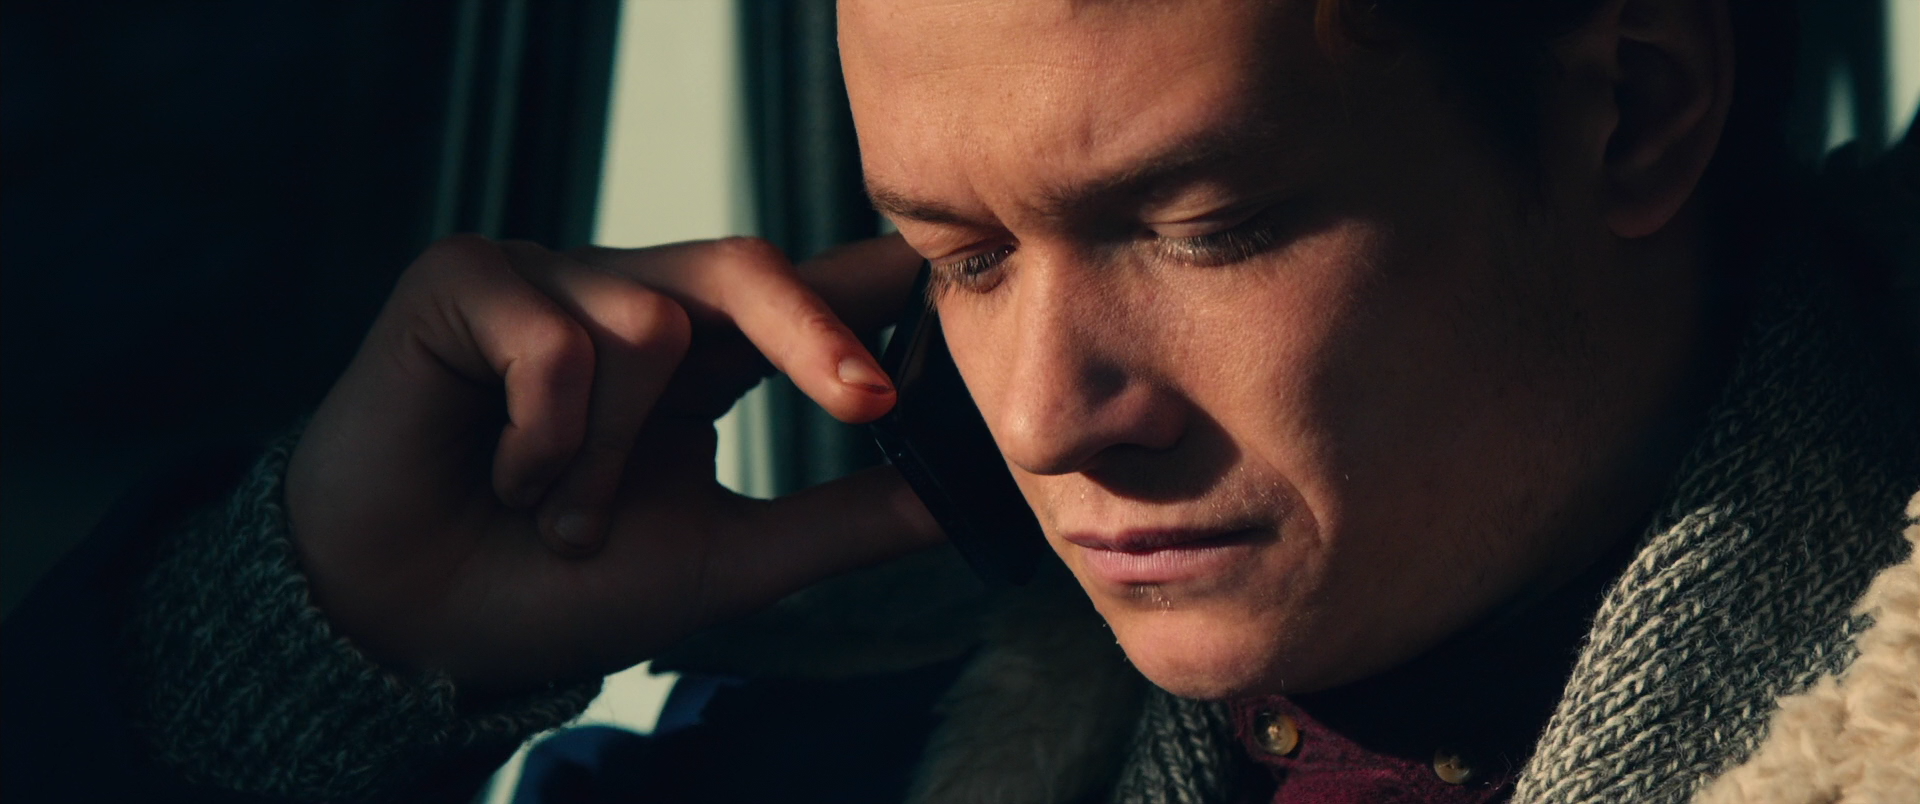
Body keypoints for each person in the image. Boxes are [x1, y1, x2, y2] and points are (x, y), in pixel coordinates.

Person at [4, 0, 1917, 802]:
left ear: (1631, 110)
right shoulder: (834, 751)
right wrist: (303, 651)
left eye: (1203, 227)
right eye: (961, 256)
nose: (1045, 413)